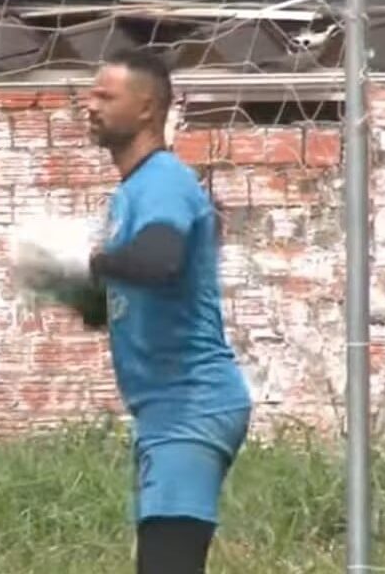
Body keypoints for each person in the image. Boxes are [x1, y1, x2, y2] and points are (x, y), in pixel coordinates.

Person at [82, 50, 253, 574]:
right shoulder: (132, 191)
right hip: (167, 411)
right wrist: (68, 283)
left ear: (147, 109)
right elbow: (117, 303)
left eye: (105, 96)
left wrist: (88, 259)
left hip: (191, 406)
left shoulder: (161, 181)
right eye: (91, 94)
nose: (89, 105)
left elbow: (160, 260)